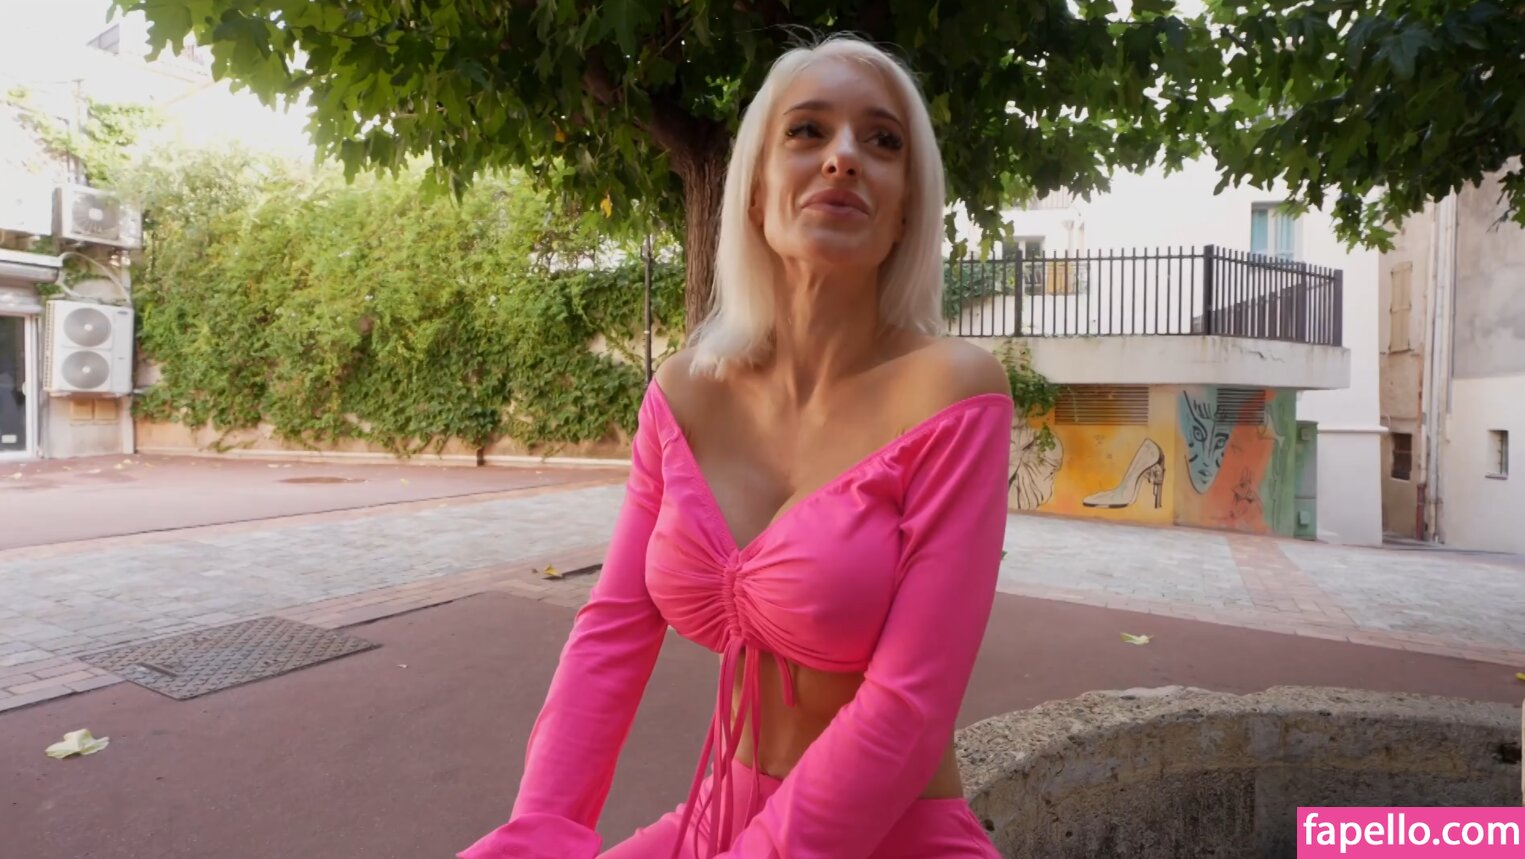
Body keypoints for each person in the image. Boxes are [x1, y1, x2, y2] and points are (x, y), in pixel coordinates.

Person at [460, 33, 1013, 859]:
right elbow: (612, 631)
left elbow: (909, 705)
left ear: (906, 208)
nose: (843, 158)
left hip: (890, 837)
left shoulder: (952, 390)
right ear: (754, 190)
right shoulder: (685, 391)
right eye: (807, 131)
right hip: (719, 818)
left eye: (882, 141)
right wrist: (538, 834)